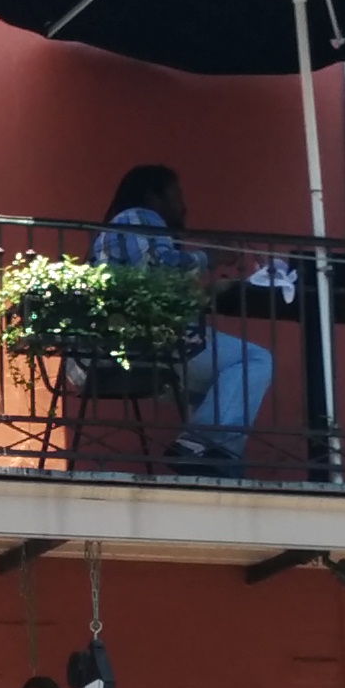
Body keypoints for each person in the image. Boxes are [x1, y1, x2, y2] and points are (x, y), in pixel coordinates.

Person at [90, 166, 275, 469]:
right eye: (175, 195)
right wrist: (209, 258)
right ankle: (199, 449)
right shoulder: (139, 216)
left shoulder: (126, 228)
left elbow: (149, 285)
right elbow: (160, 266)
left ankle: (216, 467)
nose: (181, 204)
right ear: (153, 197)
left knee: (227, 389)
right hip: (147, 341)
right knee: (255, 361)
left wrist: (208, 292)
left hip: (139, 339)